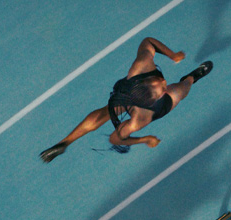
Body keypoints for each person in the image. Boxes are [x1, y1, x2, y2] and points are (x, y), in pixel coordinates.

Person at [40, 37, 213, 161]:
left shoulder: (141, 66)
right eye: (162, 88)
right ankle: (191, 78)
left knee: (105, 113)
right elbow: (115, 139)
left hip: (126, 93)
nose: (164, 81)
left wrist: (172, 55)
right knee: (181, 91)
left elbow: (148, 41)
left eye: (158, 80)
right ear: (155, 99)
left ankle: (66, 141)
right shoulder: (140, 119)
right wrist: (145, 139)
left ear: (144, 79)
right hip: (147, 106)